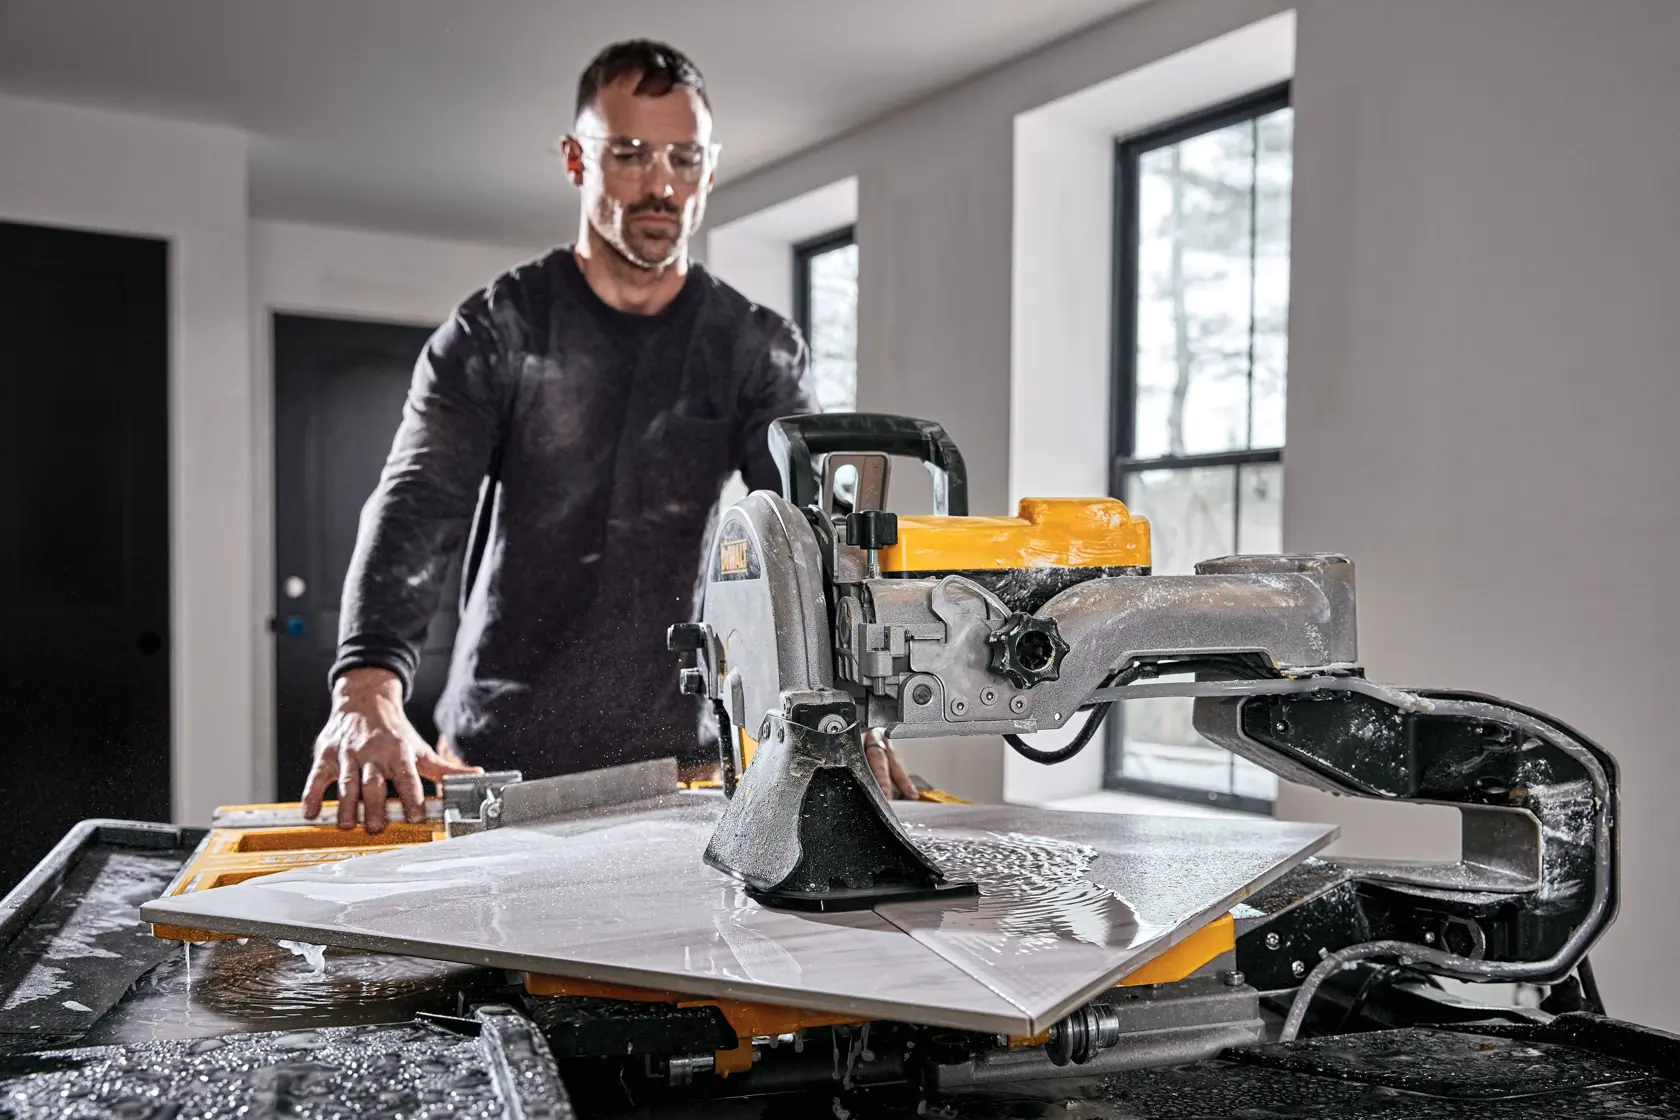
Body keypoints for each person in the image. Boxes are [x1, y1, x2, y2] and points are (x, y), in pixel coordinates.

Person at [301, 39, 914, 833]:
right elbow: (418, 504)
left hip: (679, 760)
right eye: (629, 154)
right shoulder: (498, 330)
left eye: (684, 159)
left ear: (709, 171)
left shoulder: (751, 347)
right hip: (495, 754)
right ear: (575, 159)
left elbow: (809, 536)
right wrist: (365, 686)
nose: (661, 185)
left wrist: (849, 702)